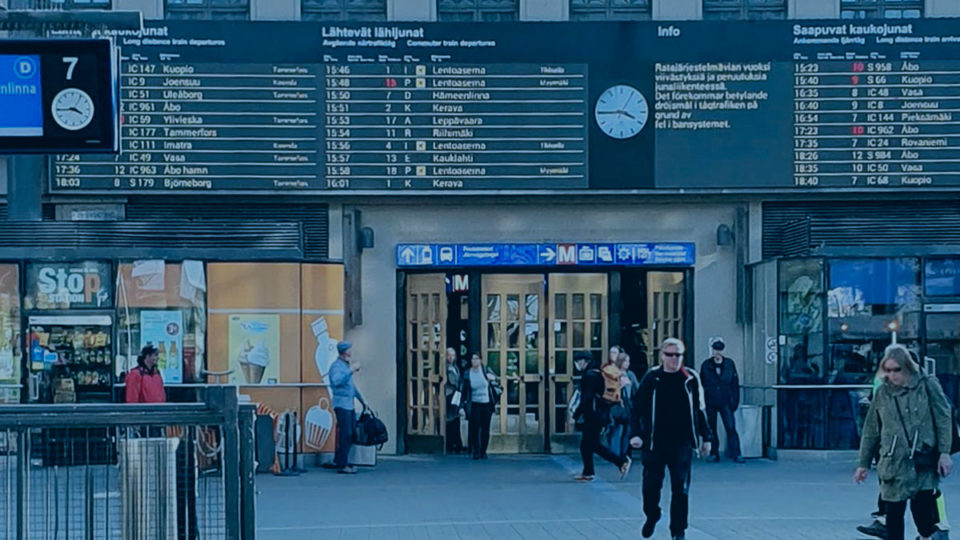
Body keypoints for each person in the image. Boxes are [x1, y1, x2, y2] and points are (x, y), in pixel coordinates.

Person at [854, 344, 953, 540]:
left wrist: (944, 452)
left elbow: (943, 418)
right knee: (894, 518)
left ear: (907, 367)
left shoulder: (927, 385)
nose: (892, 375)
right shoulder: (882, 392)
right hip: (893, 462)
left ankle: (931, 534)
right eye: (887, 370)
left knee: (923, 517)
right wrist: (862, 464)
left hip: (922, 460)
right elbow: (871, 429)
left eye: (896, 370)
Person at [630, 338, 712, 540]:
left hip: (682, 443)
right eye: (670, 355)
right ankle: (652, 514)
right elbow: (637, 409)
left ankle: (678, 530)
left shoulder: (690, 378)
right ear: (662, 356)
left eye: (678, 355)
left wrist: (706, 437)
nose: (674, 359)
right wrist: (636, 434)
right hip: (655, 442)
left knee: (681, 488)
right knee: (650, 487)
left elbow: (700, 409)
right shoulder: (652, 378)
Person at [125, 345, 197, 540]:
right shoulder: (136, 375)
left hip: (158, 417)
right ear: (147, 357)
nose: (157, 359)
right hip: (145, 419)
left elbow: (160, 394)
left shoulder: (156, 374)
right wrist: (134, 419)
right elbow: (131, 397)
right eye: (155, 355)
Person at [574, 349, 631, 482]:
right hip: (600, 414)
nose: (577, 364)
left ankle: (621, 461)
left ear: (584, 361)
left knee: (591, 445)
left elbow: (586, 398)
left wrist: (577, 413)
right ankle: (589, 472)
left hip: (593, 415)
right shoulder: (598, 373)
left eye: (578, 361)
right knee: (589, 445)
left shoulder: (590, 375)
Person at [699, 337, 744, 463]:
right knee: (712, 428)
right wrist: (702, 401)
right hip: (711, 401)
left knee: (730, 427)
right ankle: (714, 453)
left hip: (726, 401)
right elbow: (701, 384)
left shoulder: (729, 364)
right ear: (712, 351)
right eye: (715, 350)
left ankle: (736, 453)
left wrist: (734, 401)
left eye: (719, 350)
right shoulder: (706, 365)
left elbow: (735, 383)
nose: (717, 353)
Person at [329, 341, 364, 474]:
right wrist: (350, 370)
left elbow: (351, 387)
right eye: (349, 350)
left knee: (349, 433)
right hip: (341, 404)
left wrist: (361, 399)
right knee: (346, 433)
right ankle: (342, 464)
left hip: (348, 404)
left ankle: (340, 459)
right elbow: (336, 381)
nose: (351, 352)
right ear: (345, 352)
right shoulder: (337, 367)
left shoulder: (345, 366)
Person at [460, 352, 499, 460]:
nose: (474, 361)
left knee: (485, 427)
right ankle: (476, 450)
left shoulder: (486, 370)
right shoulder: (468, 373)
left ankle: (483, 451)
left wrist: (493, 378)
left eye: (476, 359)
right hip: (474, 403)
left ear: (481, 360)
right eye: (472, 359)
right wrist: (462, 406)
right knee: (474, 427)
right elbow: (463, 390)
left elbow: (497, 381)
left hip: (486, 402)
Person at [607, 352, 639, 458]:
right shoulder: (613, 373)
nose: (627, 364)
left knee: (628, 430)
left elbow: (637, 389)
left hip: (628, 404)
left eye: (628, 361)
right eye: (625, 361)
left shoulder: (630, 374)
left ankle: (624, 452)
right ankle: (614, 453)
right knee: (617, 430)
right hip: (616, 403)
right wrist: (619, 386)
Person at [445, 348, 464, 454]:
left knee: (455, 419)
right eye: (449, 355)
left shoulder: (455, 367)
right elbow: (452, 381)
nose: (451, 357)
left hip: (455, 395)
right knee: (450, 420)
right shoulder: (445, 367)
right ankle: (451, 444)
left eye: (453, 355)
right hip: (448, 395)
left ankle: (457, 443)